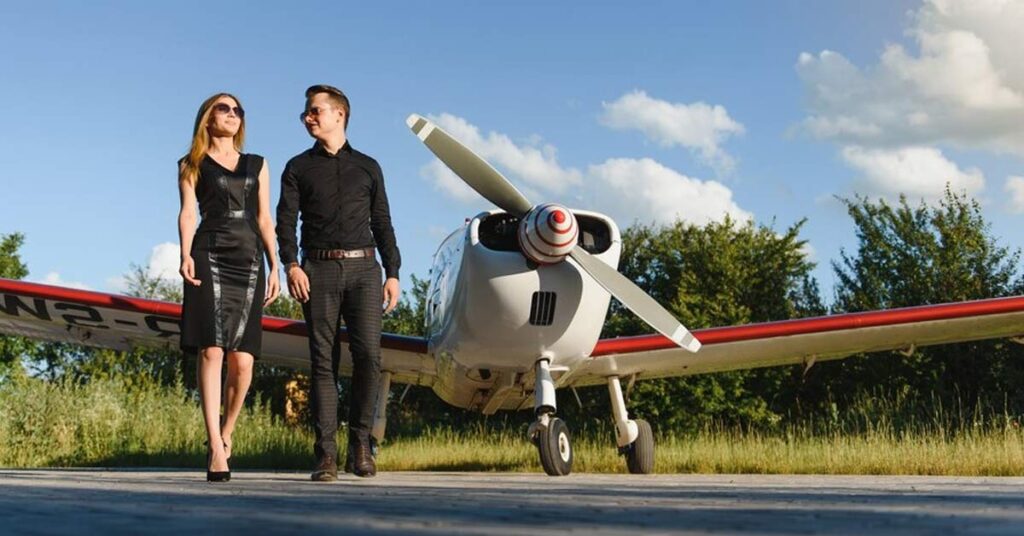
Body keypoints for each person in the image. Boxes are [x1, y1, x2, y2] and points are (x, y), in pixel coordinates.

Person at [276, 84, 401, 481]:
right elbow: (285, 221)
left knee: (369, 357)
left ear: (339, 115)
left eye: (314, 111)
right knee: (323, 362)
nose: (307, 118)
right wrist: (292, 265)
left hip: (365, 271)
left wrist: (393, 271)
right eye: (306, 113)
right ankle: (325, 455)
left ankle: (361, 446)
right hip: (319, 271)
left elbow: (382, 221)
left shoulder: (368, 166)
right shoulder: (297, 167)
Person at [178, 93, 280, 482]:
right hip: (209, 252)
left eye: (238, 110)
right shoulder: (191, 164)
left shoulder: (258, 164)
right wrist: (185, 254)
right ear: (207, 118)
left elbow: (265, 218)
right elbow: (188, 212)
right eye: (225, 108)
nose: (233, 115)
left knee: (244, 359)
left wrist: (277, 267)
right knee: (213, 349)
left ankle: (227, 432)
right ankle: (215, 449)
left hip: (250, 259)